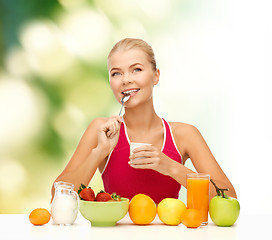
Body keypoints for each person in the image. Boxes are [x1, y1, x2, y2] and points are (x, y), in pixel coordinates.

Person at [51, 38, 236, 203]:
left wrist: (172, 167)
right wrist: (100, 152)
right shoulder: (101, 131)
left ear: (156, 76)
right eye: (116, 73)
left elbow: (229, 198)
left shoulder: (185, 135)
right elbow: (57, 197)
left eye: (136, 70)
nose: (126, 80)